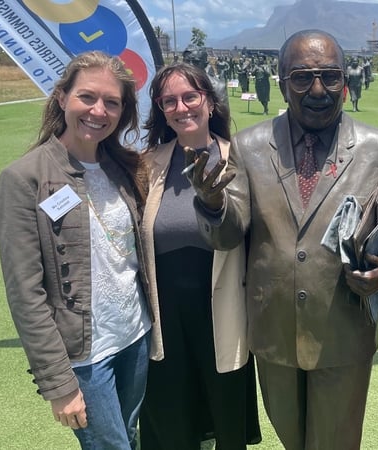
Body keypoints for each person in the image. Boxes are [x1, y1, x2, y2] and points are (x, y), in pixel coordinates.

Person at [185, 29, 378, 450]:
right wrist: (211, 204)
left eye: (329, 76)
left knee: (335, 442)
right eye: (302, 78)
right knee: (291, 440)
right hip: (274, 330)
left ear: (345, 80)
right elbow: (228, 235)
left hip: (344, 328)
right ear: (281, 82)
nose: (318, 89)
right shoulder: (249, 146)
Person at [0, 50, 162, 449]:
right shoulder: (24, 178)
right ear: (62, 97)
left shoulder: (123, 167)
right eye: (87, 96)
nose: (98, 110)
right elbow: (25, 293)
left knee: (131, 436)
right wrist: (57, 381)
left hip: (135, 337)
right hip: (85, 355)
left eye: (112, 102)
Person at [139, 62, 262, 450]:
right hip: (164, 318)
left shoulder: (243, 161)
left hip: (222, 312)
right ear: (161, 109)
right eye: (169, 100)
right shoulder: (147, 163)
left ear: (209, 101)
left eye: (190, 96)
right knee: (171, 424)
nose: (181, 107)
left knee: (225, 423)